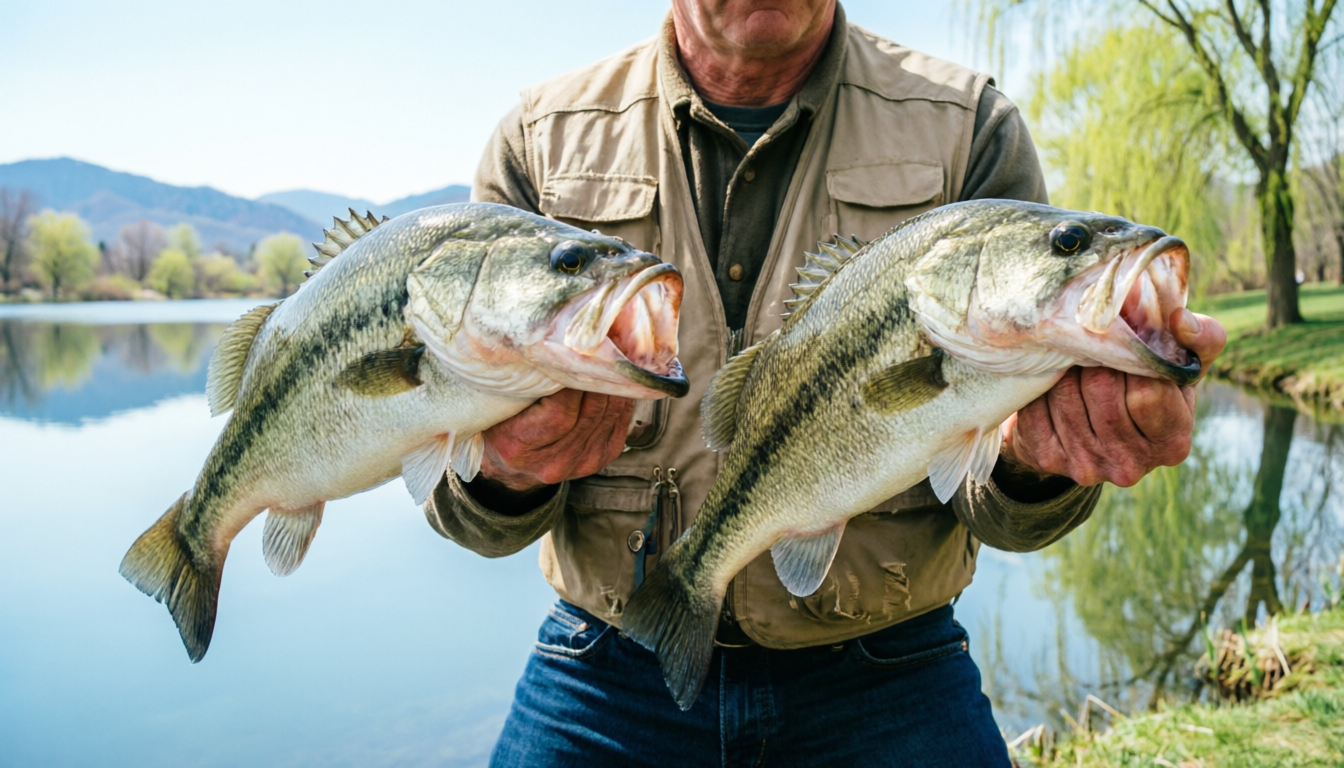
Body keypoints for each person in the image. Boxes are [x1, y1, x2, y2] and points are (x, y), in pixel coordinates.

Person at [426, 1, 1228, 765]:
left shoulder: (970, 125)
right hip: (608, 655)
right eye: (1068, 249)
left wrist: (1038, 461)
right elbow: (471, 518)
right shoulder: (537, 141)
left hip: (890, 665)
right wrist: (504, 471)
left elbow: (1005, 513)